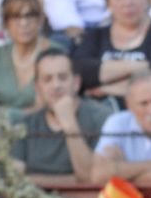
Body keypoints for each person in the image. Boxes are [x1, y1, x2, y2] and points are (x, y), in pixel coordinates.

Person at [12, 46, 108, 177]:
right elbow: (14, 180)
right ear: (37, 87)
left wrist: (69, 123)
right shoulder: (24, 125)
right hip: (33, 197)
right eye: (47, 79)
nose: (56, 85)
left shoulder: (101, 118)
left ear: (76, 83)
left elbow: (89, 177)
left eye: (62, 77)